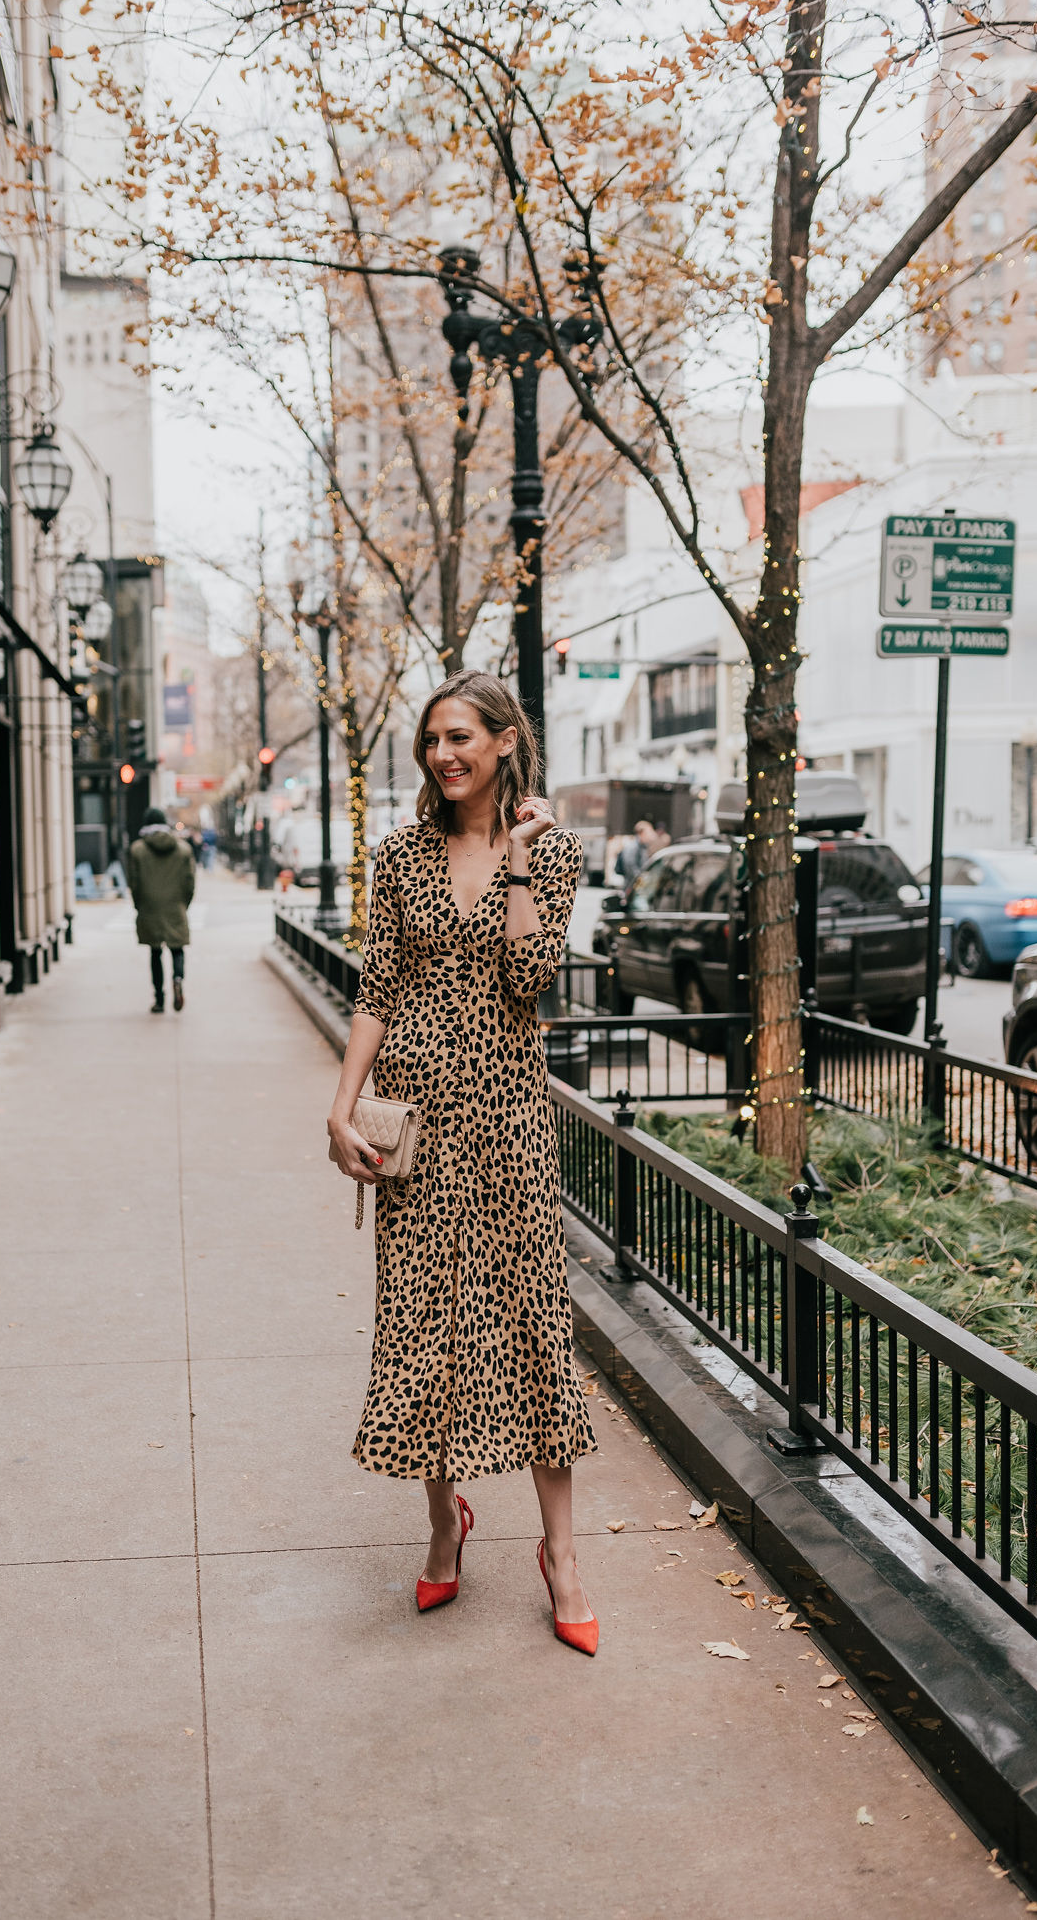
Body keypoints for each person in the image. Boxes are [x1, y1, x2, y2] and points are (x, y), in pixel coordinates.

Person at [326, 670, 599, 1655]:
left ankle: (561, 1554)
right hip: (418, 1127)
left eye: (461, 738)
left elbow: (531, 979)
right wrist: (341, 1100)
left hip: (510, 1122)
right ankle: (444, 1523)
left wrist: (519, 860)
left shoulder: (552, 853)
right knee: (424, 1321)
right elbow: (376, 987)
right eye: (431, 739)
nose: (444, 754)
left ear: (502, 741)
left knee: (531, 1322)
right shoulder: (400, 855)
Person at [128, 808, 195, 1014]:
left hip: (150, 907)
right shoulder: (183, 849)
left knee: (155, 952)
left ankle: (159, 999)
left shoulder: (138, 850)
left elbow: (134, 883)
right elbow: (190, 882)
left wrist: (139, 905)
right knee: (177, 948)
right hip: (175, 905)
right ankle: (177, 978)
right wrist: (184, 903)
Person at [612, 817, 656, 887]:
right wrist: (641, 881)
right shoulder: (632, 847)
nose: (651, 835)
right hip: (631, 887)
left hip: (636, 886)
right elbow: (630, 868)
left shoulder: (642, 847)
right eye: (649, 832)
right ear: (641, 833)